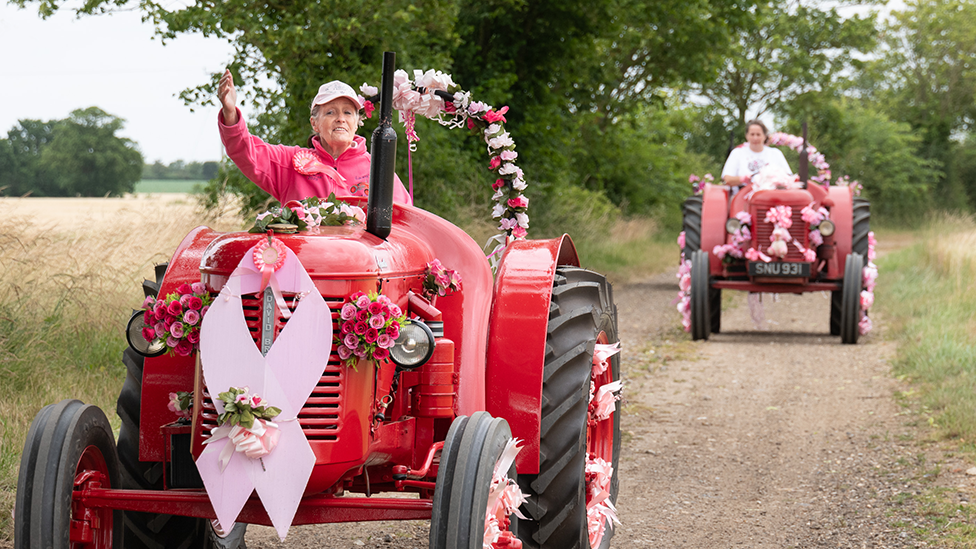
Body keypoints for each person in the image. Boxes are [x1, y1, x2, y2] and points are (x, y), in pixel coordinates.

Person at [217, 69, 412, 206]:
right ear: (314, 123)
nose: (340, 119)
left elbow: (405, 218)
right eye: (330, 113)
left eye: (347, 113)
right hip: (305, 262)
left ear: (357, 122)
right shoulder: (290, 162)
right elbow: (246, 152)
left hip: (360, 264)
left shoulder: (377, 168)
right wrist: (230, 113)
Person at [721, 120, 792, 188]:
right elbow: (727, 179)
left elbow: (788, 177)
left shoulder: (776, 153)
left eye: (758, 134)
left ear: (764, 136)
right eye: (752, 134)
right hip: (743, 194)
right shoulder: (737, 153)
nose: (755, 138)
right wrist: (743, 179)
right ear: (747, 136)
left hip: (771, 195)